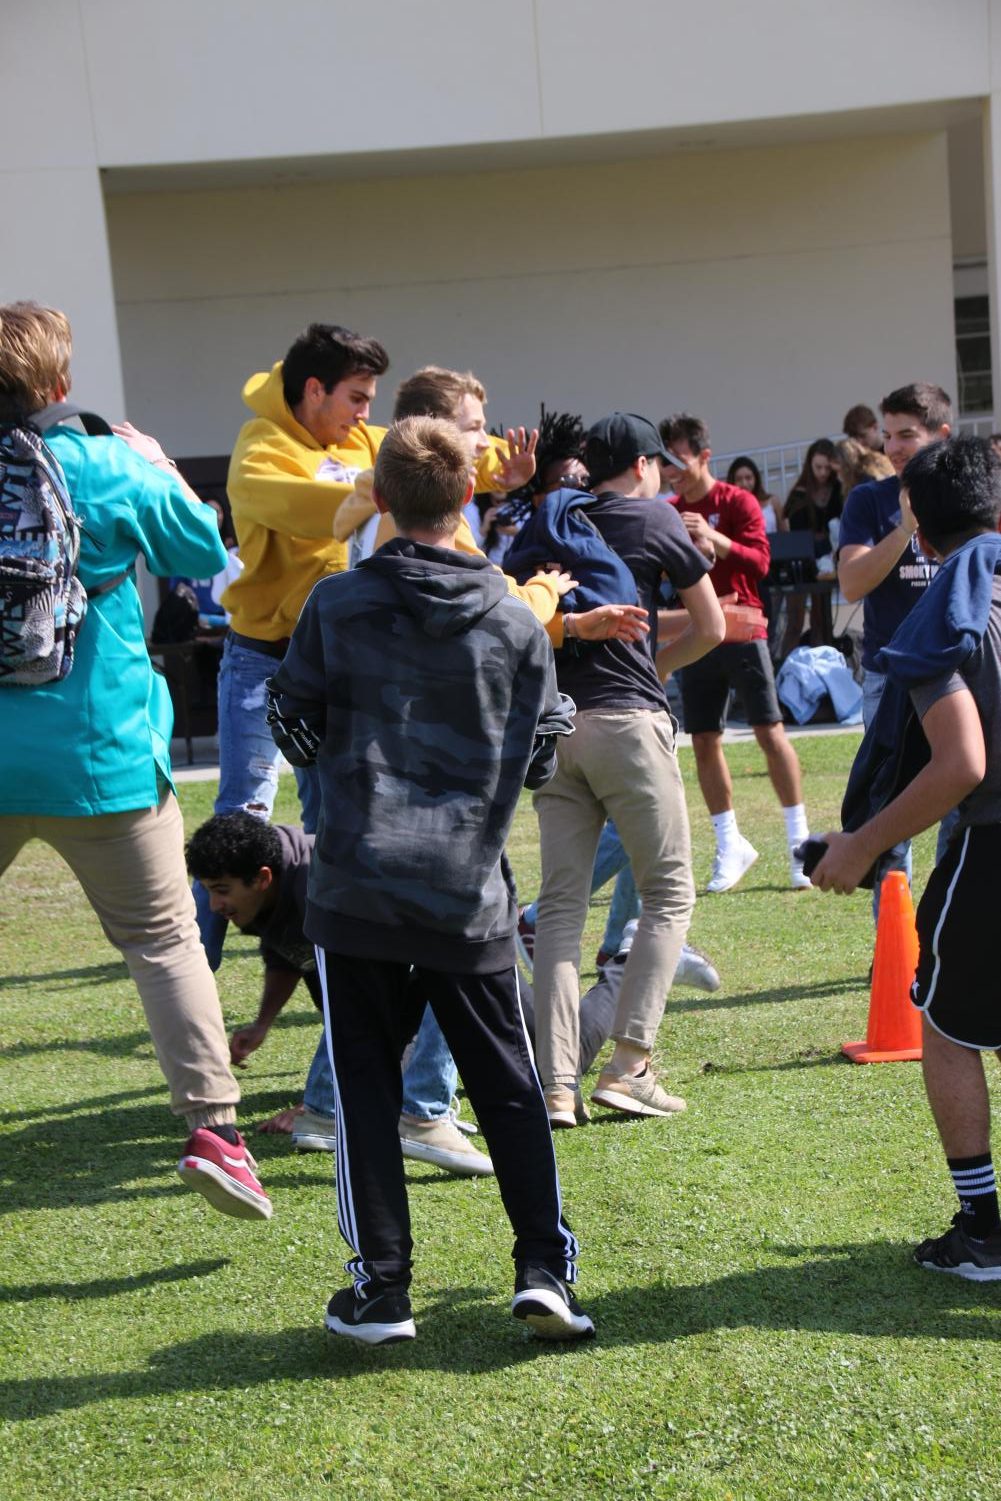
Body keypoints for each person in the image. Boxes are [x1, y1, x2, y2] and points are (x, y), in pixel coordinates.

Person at [268, 415, 594, 1344]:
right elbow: (539, 751)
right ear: (467, 497)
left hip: (357, 884)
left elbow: (290, 713)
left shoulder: (336, 603)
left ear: (379, 495)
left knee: (365, 1090)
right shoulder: (511, 613)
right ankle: (544, 1271)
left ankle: (381, 1288)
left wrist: (340, 778)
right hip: (466, 888)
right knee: (510, 1090)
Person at [0, 300, 270, 1221]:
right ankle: (215, 1133)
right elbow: (203, 551)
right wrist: (156, 466)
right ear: (59, 385)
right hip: (100, 757)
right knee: (163, 944)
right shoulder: (107, 463)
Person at [811, 434, 1001, 1281]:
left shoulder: (945, 612)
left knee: (946, 1027)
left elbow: (961, 764)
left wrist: (861, 842)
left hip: (992, 842)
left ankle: (983, 1229)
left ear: (916, 523)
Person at [532, 412, 724, 1127]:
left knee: (558, 912)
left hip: (554, 725)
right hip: (627, 722)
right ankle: (627, 1065)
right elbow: (709, 626)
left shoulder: (551, 518)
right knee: (668, 892)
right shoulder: (655, 518)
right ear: (643, 465)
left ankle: (556, 1085)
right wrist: (652, 670)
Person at [196, 321, 390, 973]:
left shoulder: (365, 440)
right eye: (357, 397)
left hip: (334, 665)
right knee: (245, 809)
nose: (366, 413)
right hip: (262, 656)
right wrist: (363, 494)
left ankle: (328, 946)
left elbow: (423, 454)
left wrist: (494, 463)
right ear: (314, 389)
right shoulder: (260, 445)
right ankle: (197, 959)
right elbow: (296, 503)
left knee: (330, 809)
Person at [185, 811, 494, 1176]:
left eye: (221, 890)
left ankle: (419, 1114)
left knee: (448, 960)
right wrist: (262, 1024)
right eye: (207, 890)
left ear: (262, 878)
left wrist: (321, 1099)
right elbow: (286, 957)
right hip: (409, 995)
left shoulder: (320, 881)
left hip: (470, 994)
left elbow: (360, 989)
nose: (214, 905)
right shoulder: (265, 892)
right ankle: (343, 1112)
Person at [660, 413, 812, 893]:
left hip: (745, 630)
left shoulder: (737, 501)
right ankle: (730, 845)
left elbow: (761, 562)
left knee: (770, 731)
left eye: (679, 461)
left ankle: (800, 845)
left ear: (705, 456)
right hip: (699, 634)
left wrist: (714, 537)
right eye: (666, 463)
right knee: (704, 738)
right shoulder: (668, 509)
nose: (672, 472)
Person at [837, 382, 951, 916]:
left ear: (941, 435)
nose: (895, 447)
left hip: (964, 674)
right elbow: (853, 583)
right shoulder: (869, 499)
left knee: (964, 817)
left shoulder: (969, 498)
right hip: (890, 678)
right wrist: (906, 528)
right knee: (891, 817)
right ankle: (894, 951)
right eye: (888, 435)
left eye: (908, 434)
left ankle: (952, 938)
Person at [779, 438, 843, 656]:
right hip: (801, 564)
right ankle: (786, 671)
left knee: (822, 621)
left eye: (827, 467)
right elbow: (792, 527)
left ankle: (824, 669)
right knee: (795, 621)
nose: (823, 472)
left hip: (828, 562)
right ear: (809, 465)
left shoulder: (838, 489)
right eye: (818, 467)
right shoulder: (800, 493)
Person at [726, 456, 783, 534]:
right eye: (739, 479)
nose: (744, 484)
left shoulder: (773, 502)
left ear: (756, 479)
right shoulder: (728, 508)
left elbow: (785, 532)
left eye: (748, 478)